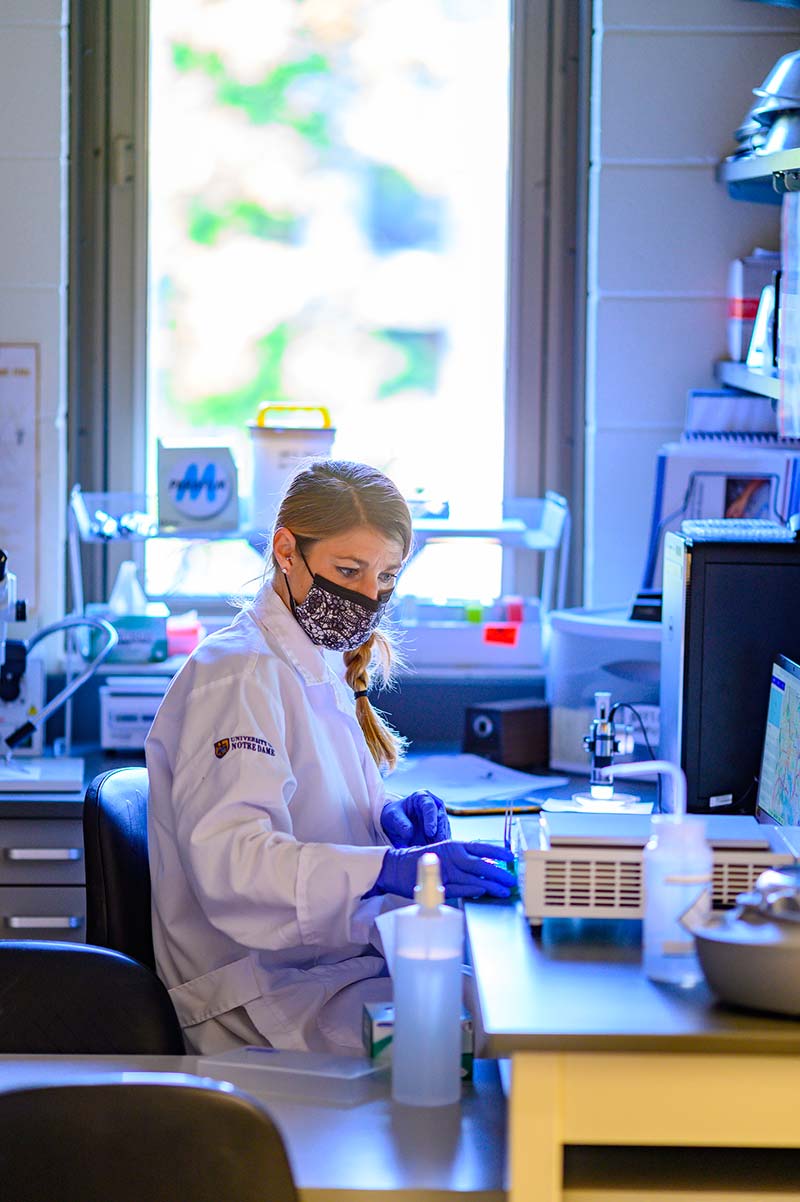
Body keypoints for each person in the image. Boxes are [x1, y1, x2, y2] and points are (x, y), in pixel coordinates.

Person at [145, 459, 514, 1055]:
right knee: (492, 1032)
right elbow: (235, 865)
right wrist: (384, 870)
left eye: (387, 576)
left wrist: (385, 824)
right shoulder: (239, 673)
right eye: (349, 569)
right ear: (286, 550)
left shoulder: (314, 659)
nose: (369, 596)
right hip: (259, 999)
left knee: (492, 996)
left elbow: (310, 806)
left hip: (323, 968)